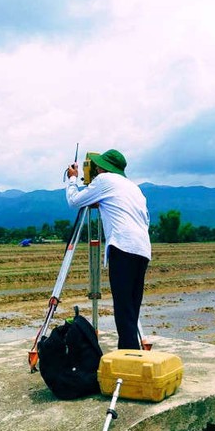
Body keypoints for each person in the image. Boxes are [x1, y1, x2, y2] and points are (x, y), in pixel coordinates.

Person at [66, 149, 151, 349]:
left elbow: (74, 201)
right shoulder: (133, 188)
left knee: (122, 308)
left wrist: (72, 179)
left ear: (103, 167)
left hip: (123, 246)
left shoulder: (104, 181)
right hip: (142, 248)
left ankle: (128, 355)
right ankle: (133, 351)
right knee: (131, 305)